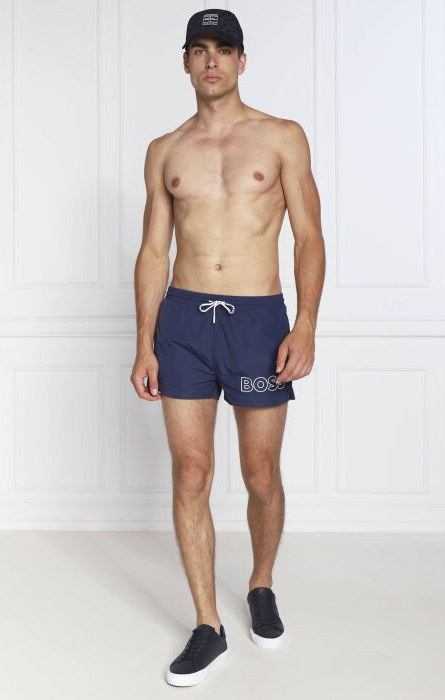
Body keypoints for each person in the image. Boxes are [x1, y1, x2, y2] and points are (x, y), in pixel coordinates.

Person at [130, 7, 325, 687]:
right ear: (186, 62)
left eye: (223, 49)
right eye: (200, 49)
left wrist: (305, 325)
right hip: (183, 322)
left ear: (242, 61)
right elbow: (153, 250)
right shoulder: (164, 150)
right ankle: (208, 625)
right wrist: (144, 341)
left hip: (258, 321)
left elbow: (309, 237)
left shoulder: (281, 137)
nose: (211, 60)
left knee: (260, 473)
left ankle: (261, 582)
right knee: (191, 475)